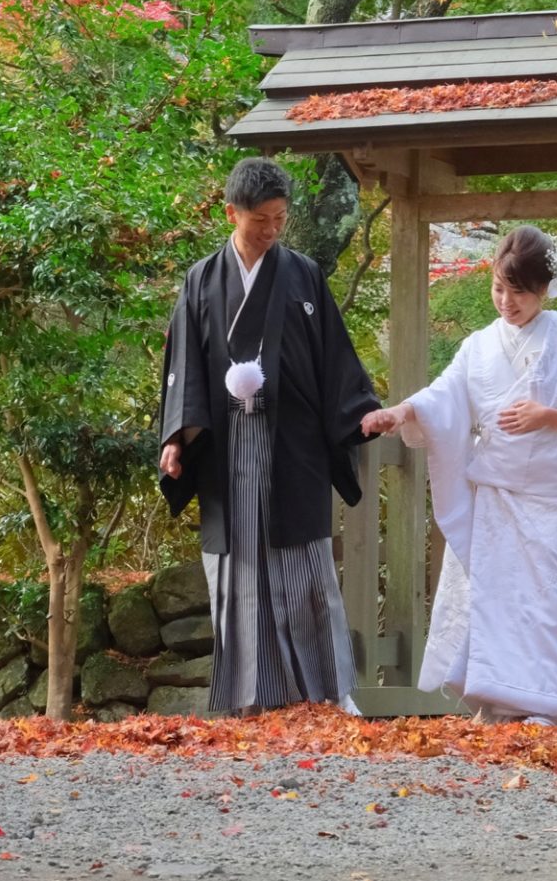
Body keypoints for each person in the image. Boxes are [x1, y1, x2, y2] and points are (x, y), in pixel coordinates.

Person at [362, 226, 557, 726]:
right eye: (499, 289)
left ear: (545, 290)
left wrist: (550, 415)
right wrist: (399, 413)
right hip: (499, 497)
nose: (507, 302)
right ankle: (499, 705)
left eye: (520, 292)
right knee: (497, 600)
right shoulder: (479, 346)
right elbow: (445, 396)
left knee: (551, 603)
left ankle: (549, 708)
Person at [158, 157, 382, 714]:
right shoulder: (202, 280)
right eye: (261, 219)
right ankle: (247, 696)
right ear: (231, 212)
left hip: (293, 444)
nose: (272, 229)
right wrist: (175, 439)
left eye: (281, 218)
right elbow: (183, 365)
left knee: (303, 563)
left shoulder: (303, 274)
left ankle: (329, 692)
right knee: (239, 569)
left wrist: (360, 413)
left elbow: (334, 356)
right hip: (226, 445)